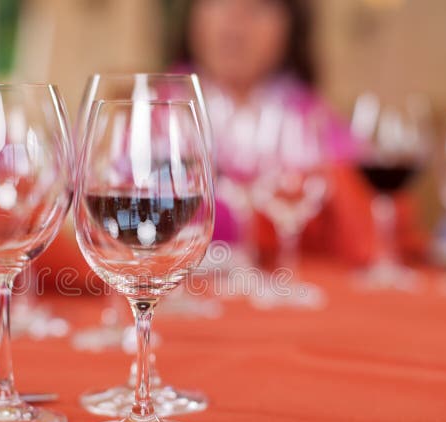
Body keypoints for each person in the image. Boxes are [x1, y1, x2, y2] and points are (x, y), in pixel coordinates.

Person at [173, 0, 423, 266]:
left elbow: (383, 219)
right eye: (218, 3)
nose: (235, 19)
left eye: (258, 7)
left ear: (290, 25)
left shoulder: (316, 118)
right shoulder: (157, 110)